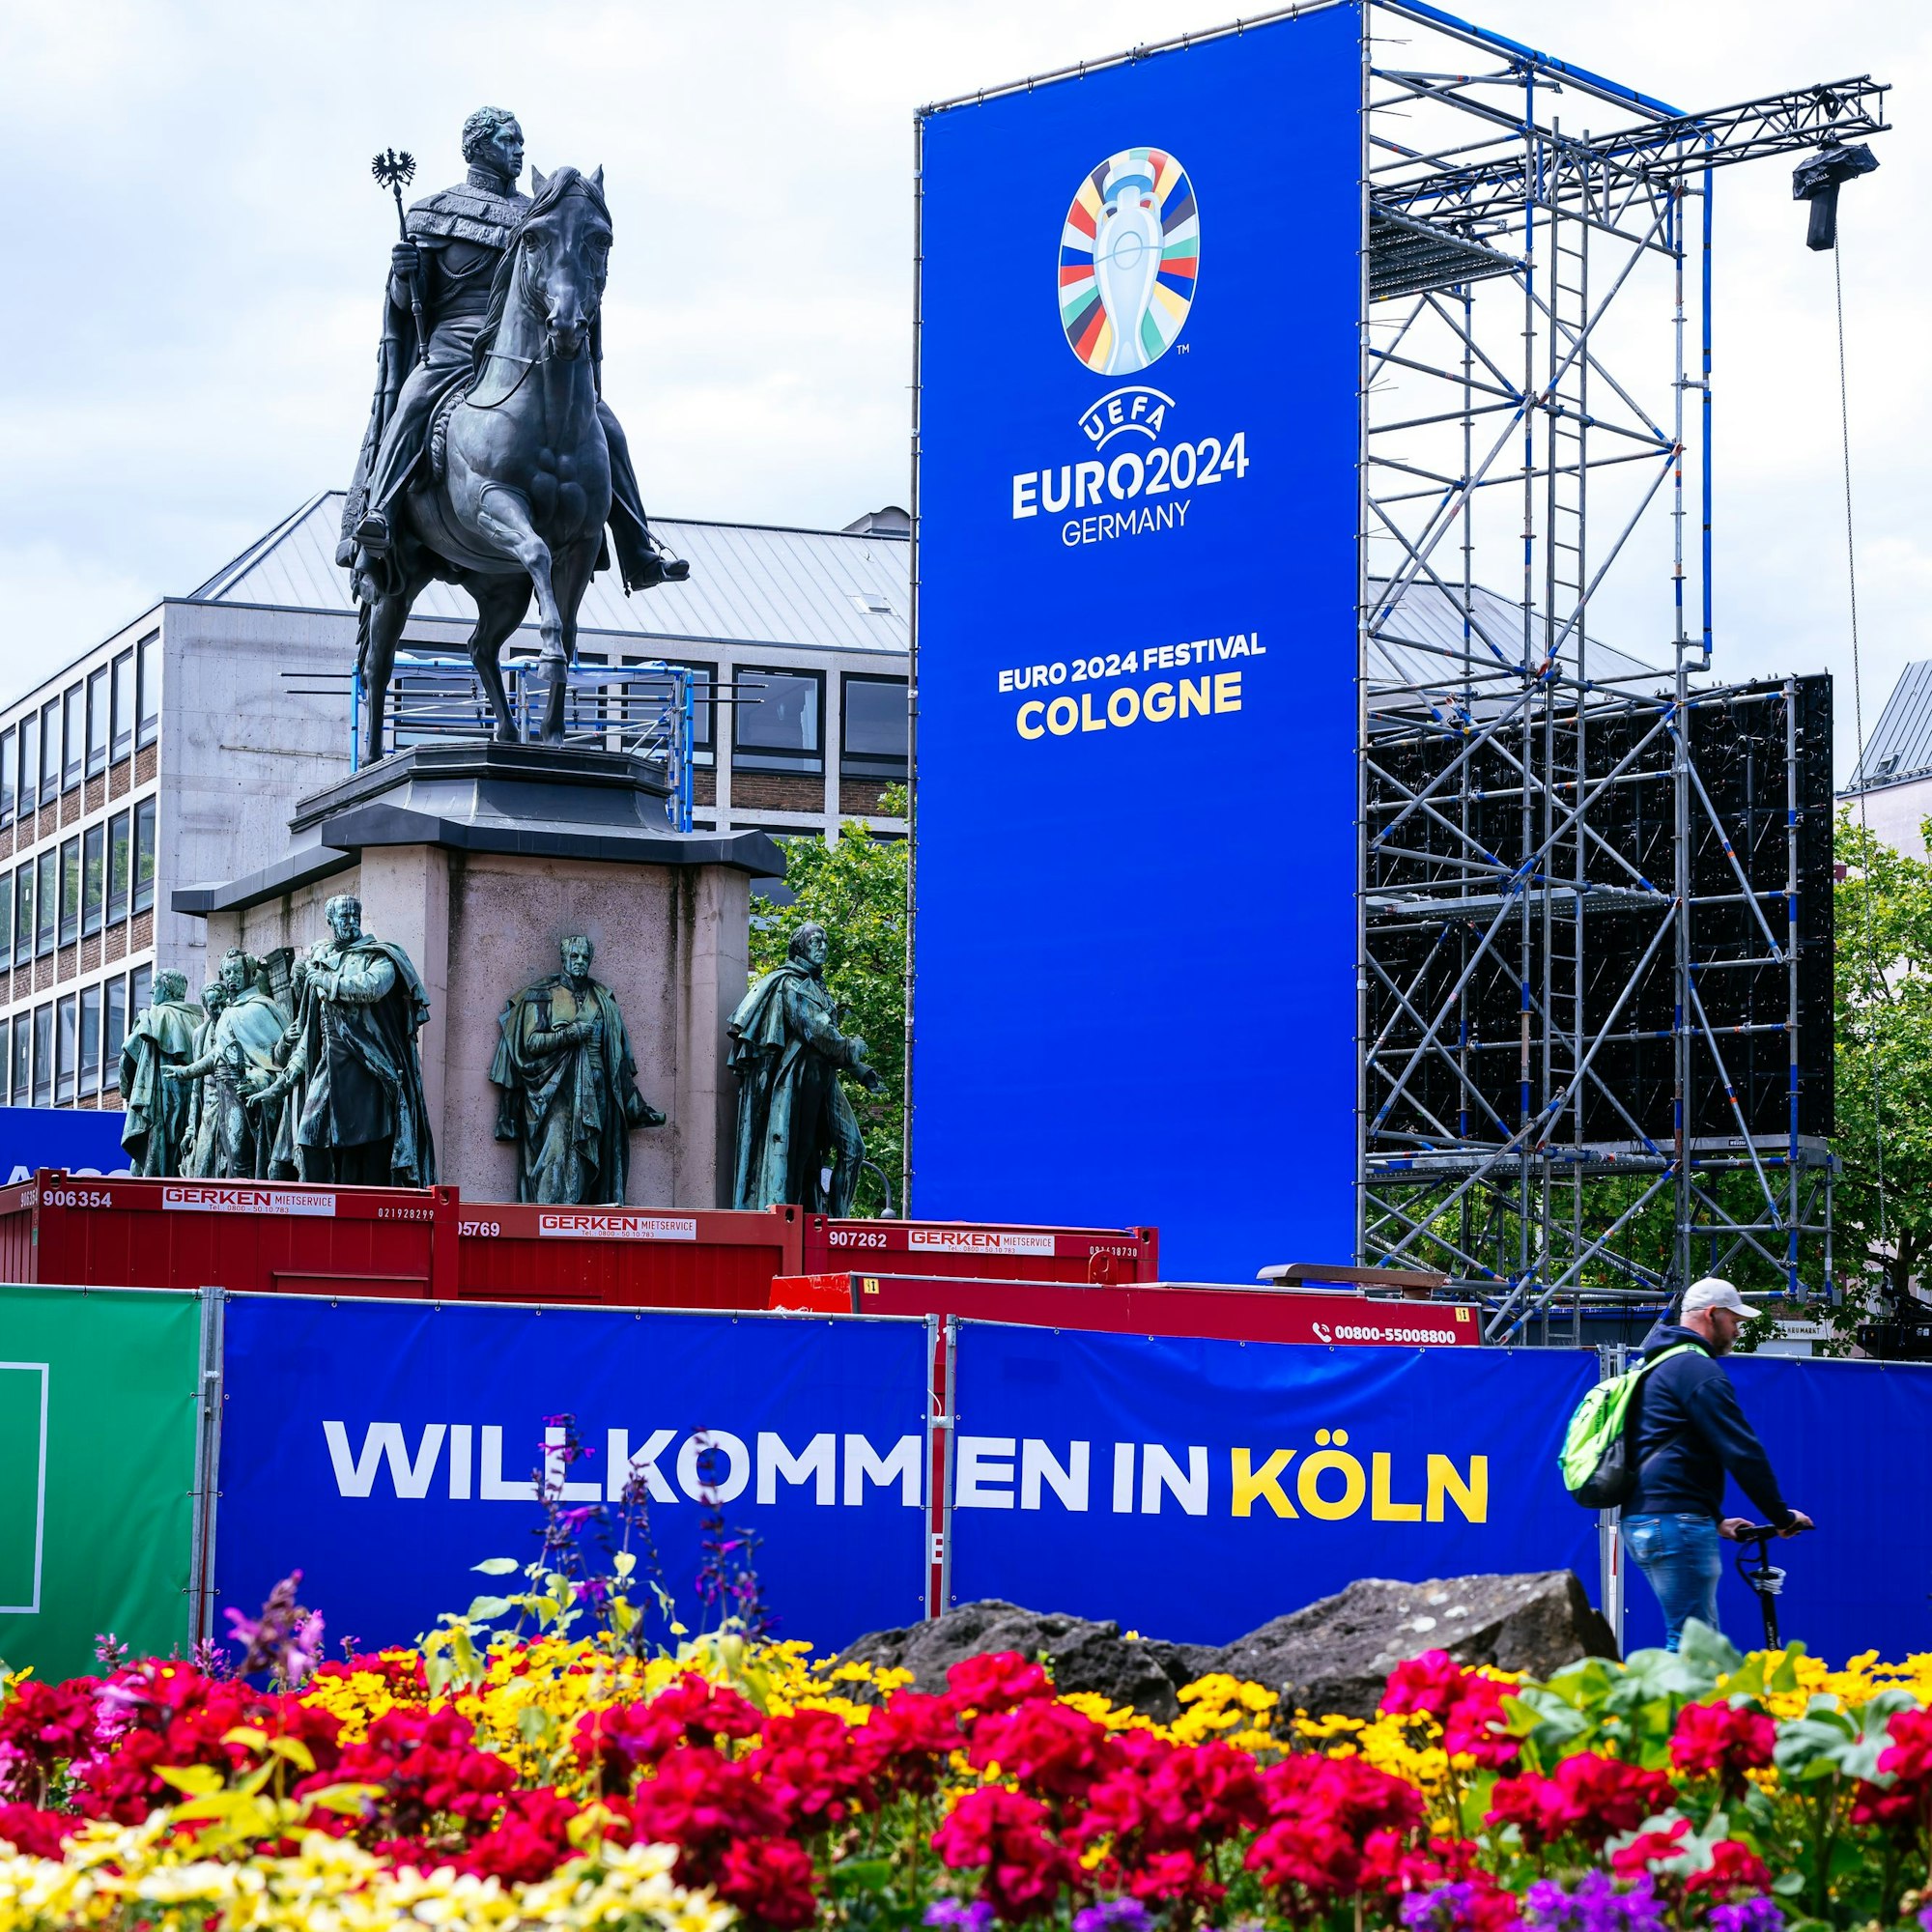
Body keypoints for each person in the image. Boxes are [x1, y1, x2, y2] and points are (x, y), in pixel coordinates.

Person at [338, 105, 679, 597]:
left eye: (521, 141)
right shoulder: (435, 212)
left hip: (524, 351)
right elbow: (409, 302)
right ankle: (380, 514)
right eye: (508, 140)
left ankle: (636, 546)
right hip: (454, 347)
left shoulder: (537, 214)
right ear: (478, 146)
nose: (519, 149)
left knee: (605, 424)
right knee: (413, 402)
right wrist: (405, 273)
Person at [1622, 1277, 1814, 1650]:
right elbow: (1742, 1451)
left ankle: (1689, 1708)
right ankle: (1681, 1710)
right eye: (1734, 1320)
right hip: (1675, 1522)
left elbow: (1665, 1452)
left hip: (1645, 1518)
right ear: (1712, 1315)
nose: (1738, 1330)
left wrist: (1715, 1520)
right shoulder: (1696, 1370)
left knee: (1693, 1640)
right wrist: (1781, 1517)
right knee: (1695, 1647)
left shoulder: (1654, 1367)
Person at [248, 895, 436, 1185]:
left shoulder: (379, 956)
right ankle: (317, 1208)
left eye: (354, 917)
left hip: (368, 1061)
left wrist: (327, 982)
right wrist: (280, 1086)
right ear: (330, 921)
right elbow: (308, 1034)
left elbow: (373, 987)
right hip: (329, 1061)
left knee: (371, 1143)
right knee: (309, 1135)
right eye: (343, 917)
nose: (350, 922)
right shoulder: (319, 966)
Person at [489, 934, 665, 1204]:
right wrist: (570, 1034)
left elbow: (618, 1062)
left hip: (597, 1089)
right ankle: (548, 1221)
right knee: (555, 1151)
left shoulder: (604, 1000)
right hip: (554, 1089)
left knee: (591, 1158)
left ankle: (580, 1220)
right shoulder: (542, 994)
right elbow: (531, 1042)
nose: (580, 961)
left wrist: (633, 1103)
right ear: (563, 959)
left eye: (585, 957)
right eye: (574, 956)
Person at [727, 922, 881, 1213]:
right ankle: (809, 1218)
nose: (822, 947)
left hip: (824, 1080)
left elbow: (828, 1044)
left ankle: (838, 1221)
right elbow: (821, 1035)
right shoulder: (791, 984)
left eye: (825, 941)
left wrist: (862, 1070)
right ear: (800, 946)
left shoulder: (816, 986)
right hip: (798, 1085)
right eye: (815, 942)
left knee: (854, 1149)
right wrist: (854, 1047)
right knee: (797, 1161)